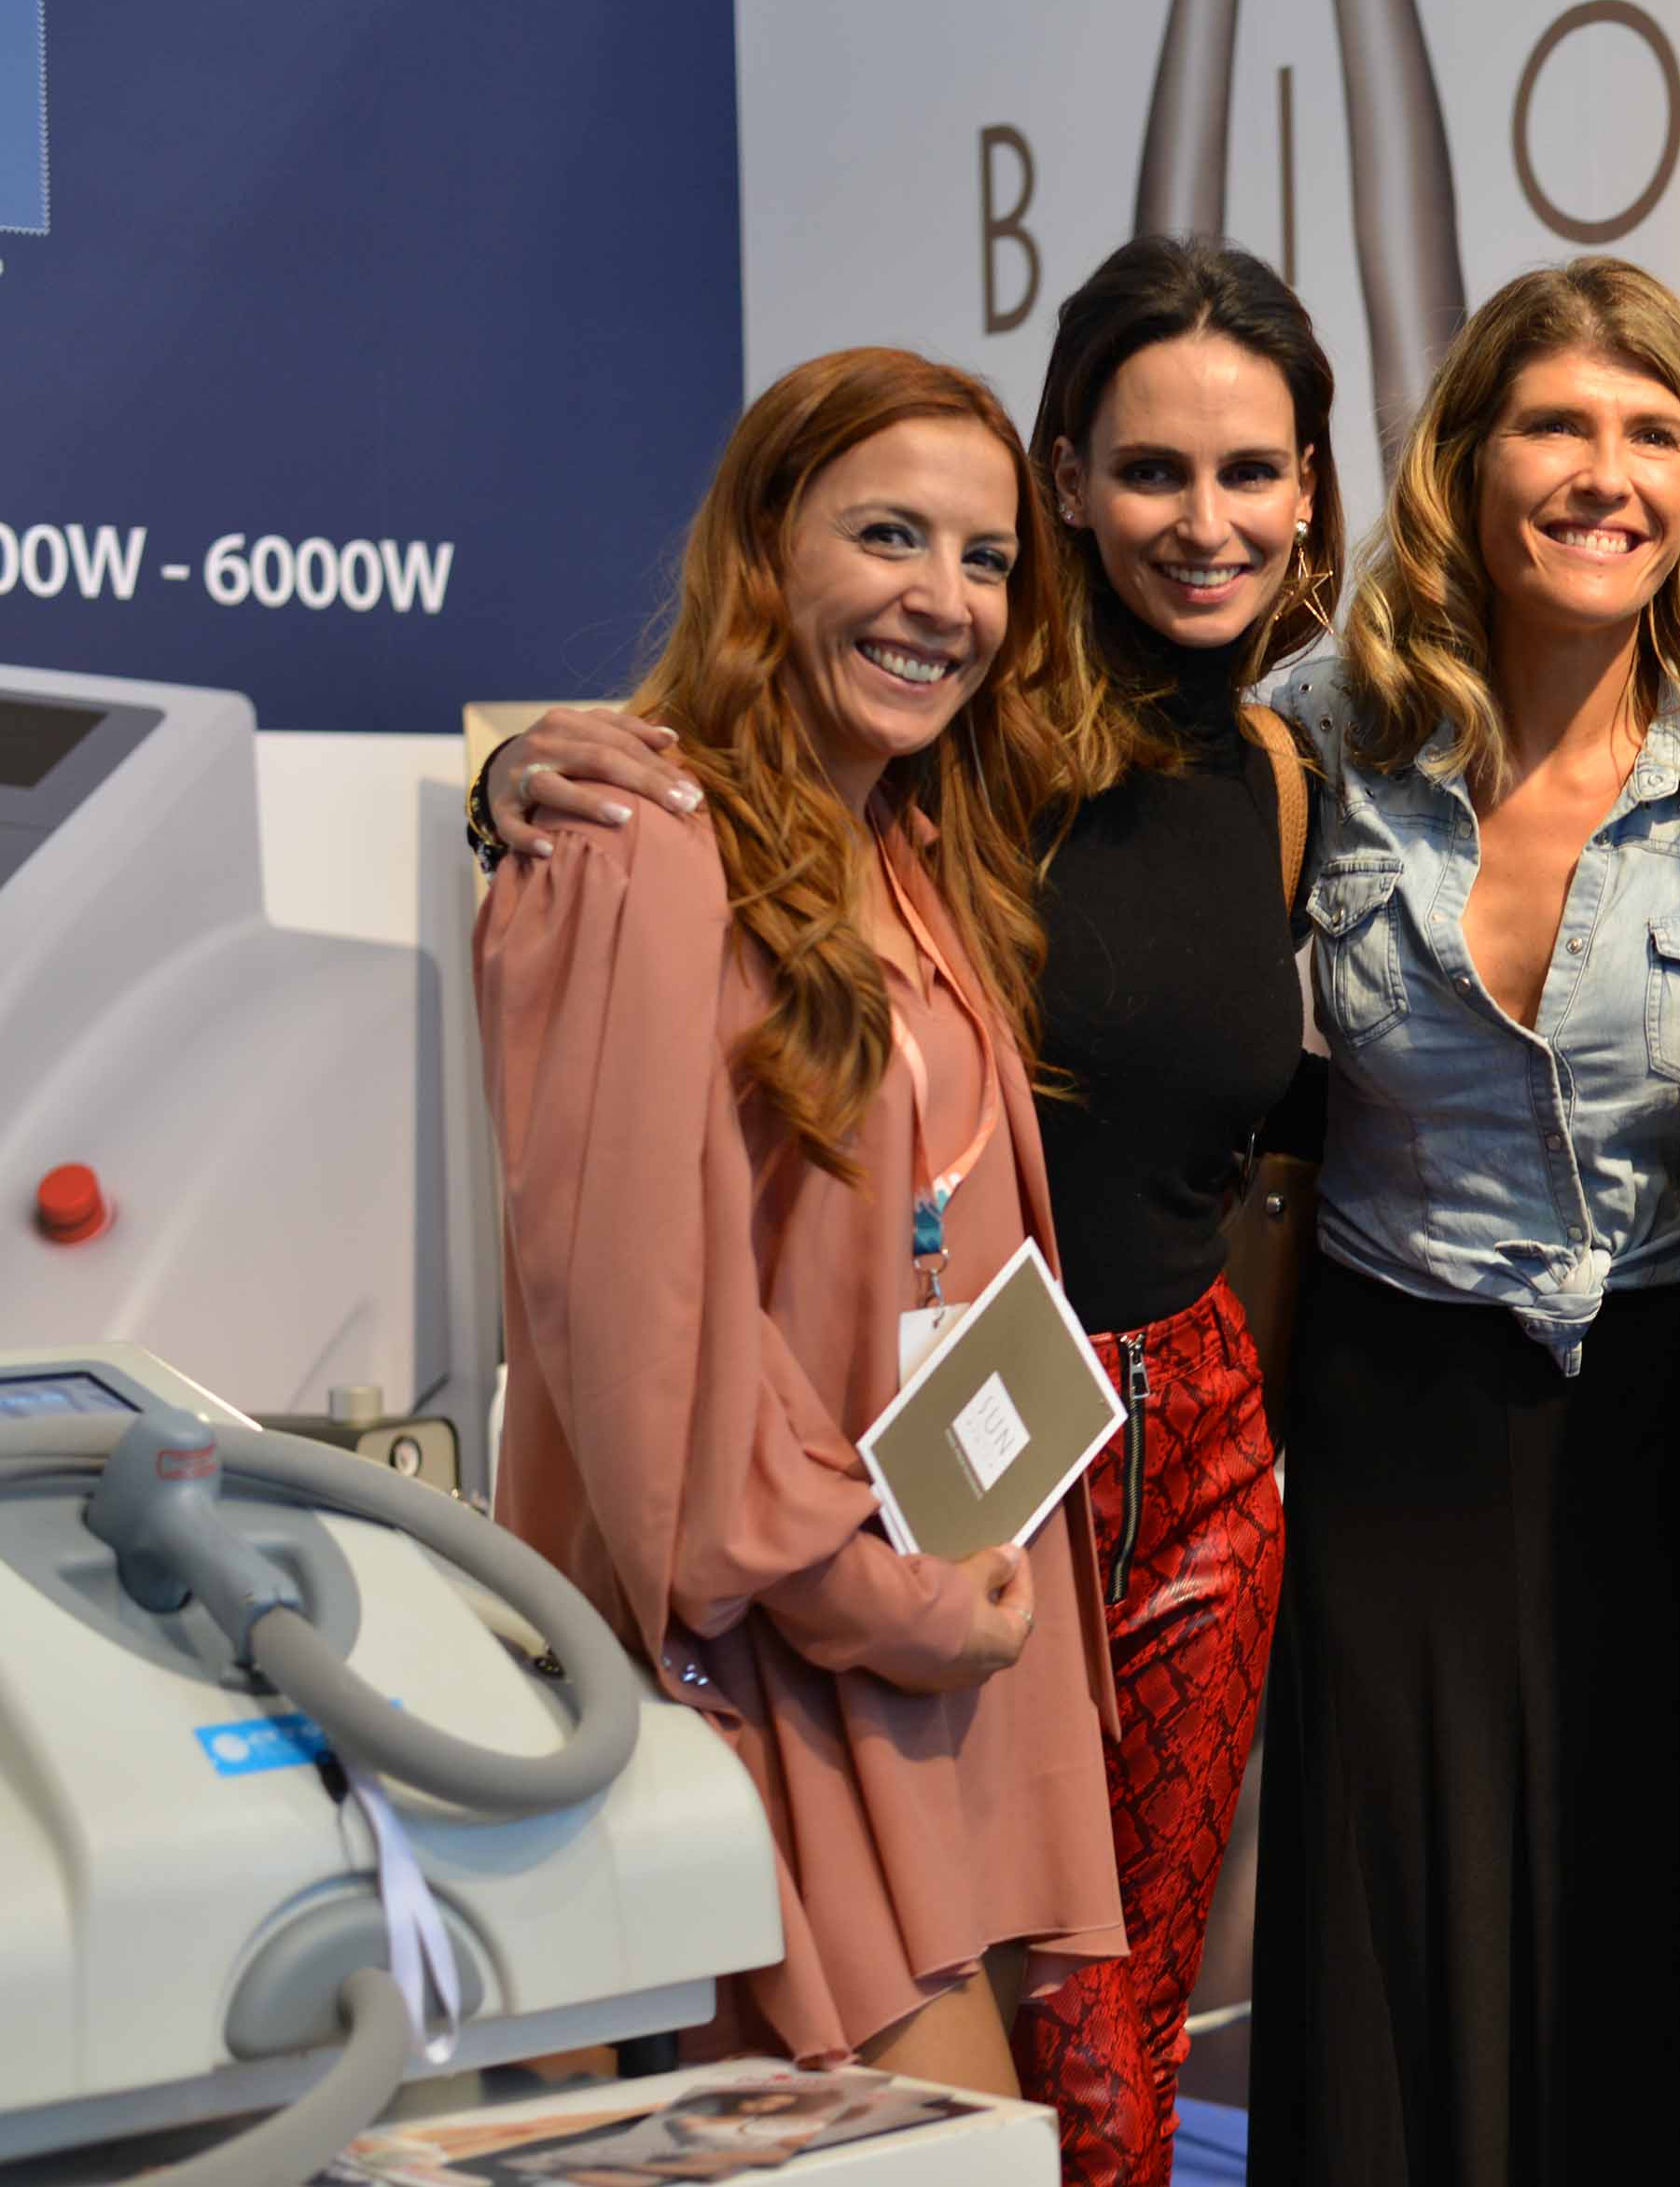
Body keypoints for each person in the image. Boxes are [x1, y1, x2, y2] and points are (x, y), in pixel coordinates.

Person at [479, 237, 1341, 2187]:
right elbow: (646, 1314)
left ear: (1311, 490)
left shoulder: (1236, 777)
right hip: (849, 1567)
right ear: (1072, 483)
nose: (1204, 520)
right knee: (951, 2110)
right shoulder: (896, 775)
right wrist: (525, 780)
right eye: (1149, 469)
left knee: (1105, 2059)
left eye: (1249, 470)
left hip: (1087, 1468)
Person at [1245, 257, 1680, 2187]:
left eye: (1653, 434)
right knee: (1390, 1951)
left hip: (1662, 1433)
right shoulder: (1312, 733)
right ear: (1468, 460)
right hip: (1386, 1431)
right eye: (1556, 425)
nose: (1605, 475)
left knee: (1629, 1941)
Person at [476, 345, 1114, 2093]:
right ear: (766, 545)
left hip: (919, 1642)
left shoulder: (909, 839)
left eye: (986, 558)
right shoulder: (630, 847)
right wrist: (881, 1598)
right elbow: (651, 1338)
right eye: (888, 535)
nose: (945, 600)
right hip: (765, 1665)